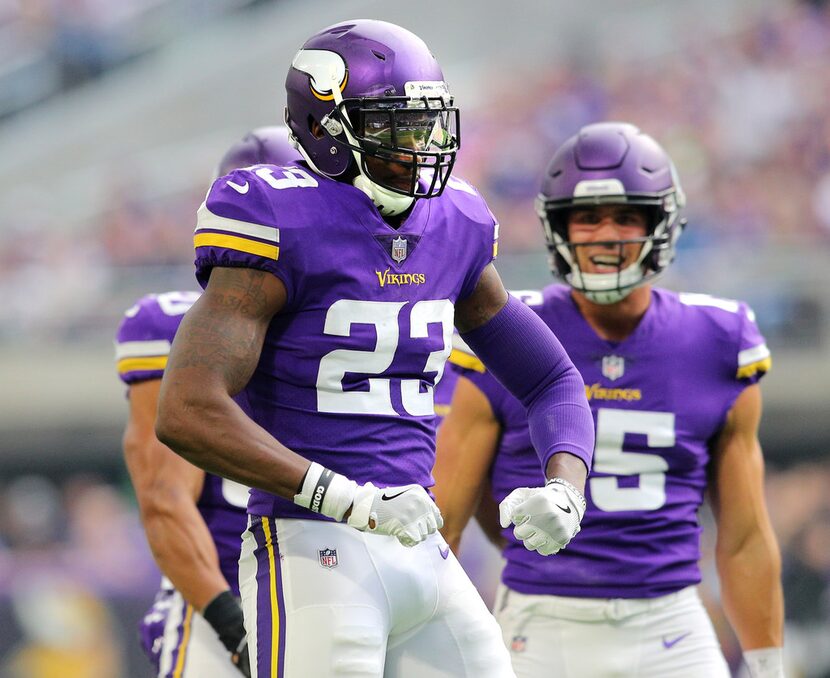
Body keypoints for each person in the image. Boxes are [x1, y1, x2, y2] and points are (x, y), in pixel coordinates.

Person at [155, 19, 595, 678]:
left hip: (419, 544)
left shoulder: (456, 223)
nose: (422, 145)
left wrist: (565, 489)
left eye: (428, 122)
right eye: (396, 125)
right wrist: (347, 497)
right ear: (325, 127)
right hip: (312, 547)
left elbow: (552, 381)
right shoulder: (278, 218)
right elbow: (186, 409)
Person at [434, 121, 785, 678]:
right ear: (557, 227)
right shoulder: (504, 333)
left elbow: (743, 536)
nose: (606, 234)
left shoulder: (720, 340)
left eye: (627, 216)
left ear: (662, 224)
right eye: (588, 217)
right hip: (543, 624)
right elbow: (447, 518)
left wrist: (767, 663)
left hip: (672, 624)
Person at [115, 126, 299, 677]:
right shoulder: (172, 328)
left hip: (333, 585)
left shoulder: (359, 325)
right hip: (224, 596)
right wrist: (233, 626)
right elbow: (165, 499)